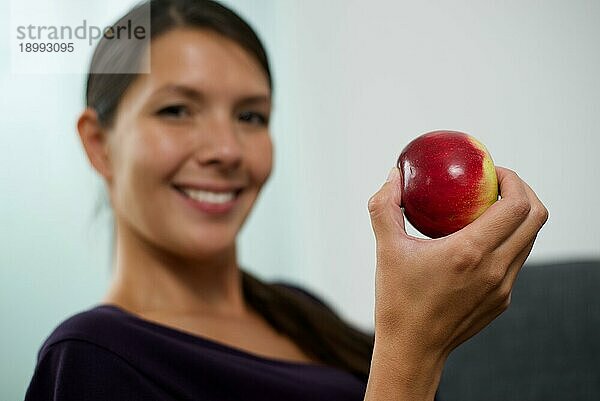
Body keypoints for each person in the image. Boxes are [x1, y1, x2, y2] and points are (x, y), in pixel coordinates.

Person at [24, 0, 549, 400]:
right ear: (99, 143)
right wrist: (411, 356)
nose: (227, 150)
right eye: (178, 110)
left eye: (251, 117)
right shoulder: (88, 359)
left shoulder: (300, 312)